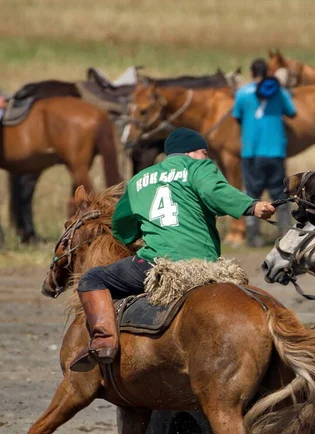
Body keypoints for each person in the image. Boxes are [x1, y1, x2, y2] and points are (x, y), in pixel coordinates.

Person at [70, 127, 276, 372]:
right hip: (205, 266)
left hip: (158, 265)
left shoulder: (138, 180)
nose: (207, 158)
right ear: (192, 151)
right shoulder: (198, 168)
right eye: (204, 152)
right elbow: (215, 193)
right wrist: (251, 206)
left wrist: (135, 236)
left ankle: (104, 341)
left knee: (92, 278)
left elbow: (122, 226)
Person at [233, 58, 297, 247]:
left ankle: (254, 237)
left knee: (252, 193)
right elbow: (292, 112)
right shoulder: (279, 92)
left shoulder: (242, 94)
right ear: (267, 72)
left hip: (251, 152)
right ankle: (286, 233)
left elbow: (237, 116)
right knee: (279, 193)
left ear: (252, 73)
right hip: (275, 150)